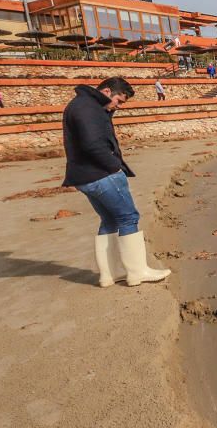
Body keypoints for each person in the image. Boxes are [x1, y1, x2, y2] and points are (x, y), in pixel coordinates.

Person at [62, 77, 171, 287]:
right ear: (106, 91)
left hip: (86, 176)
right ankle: (138, 272)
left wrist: (108, 109)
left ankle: (110, 274)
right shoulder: (87, 108)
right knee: (129, 217)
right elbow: (92, 144)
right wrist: (115, 166)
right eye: (118, 101)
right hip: (101, 174)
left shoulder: (84, 105)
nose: (118, 107)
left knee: (109, 220)